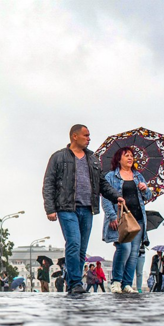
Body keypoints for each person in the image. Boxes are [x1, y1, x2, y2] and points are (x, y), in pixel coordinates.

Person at [43, 124, 124, 294]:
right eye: (86, 135)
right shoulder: (59, 157)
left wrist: (116, 196)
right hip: (66, 207)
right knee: (73, 243)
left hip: (87, 208)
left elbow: (101, 183)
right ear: (74, 136)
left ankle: (75, 281)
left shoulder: (93, 159)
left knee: (81, 248)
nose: (89, 138)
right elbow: (49, 183)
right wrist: (50, 208)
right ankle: (74, 283)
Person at [102, 147, 153, 294]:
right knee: (124, 248)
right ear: (119, 159)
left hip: (137, 219)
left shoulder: (138, 176)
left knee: (134, 252)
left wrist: (145, 190)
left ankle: (127, 284)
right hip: (121, 218)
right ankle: (116, 281)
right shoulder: (111, 176)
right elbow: (105, 197)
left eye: (131, 156)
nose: (130, 158)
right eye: (126, 156)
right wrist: (112, 216)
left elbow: (148, 197)